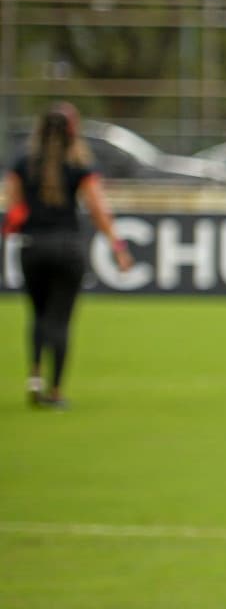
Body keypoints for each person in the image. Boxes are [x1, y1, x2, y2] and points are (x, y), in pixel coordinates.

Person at [3, 104, 131, 408]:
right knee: (60, 320)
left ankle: (33, 376)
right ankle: (56, 391)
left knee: (38, 316)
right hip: (67, 248)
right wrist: (118, 247)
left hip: (32, 247)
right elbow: (98, 209)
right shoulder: (80, 166)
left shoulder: (23, 163)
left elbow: (13, 208)